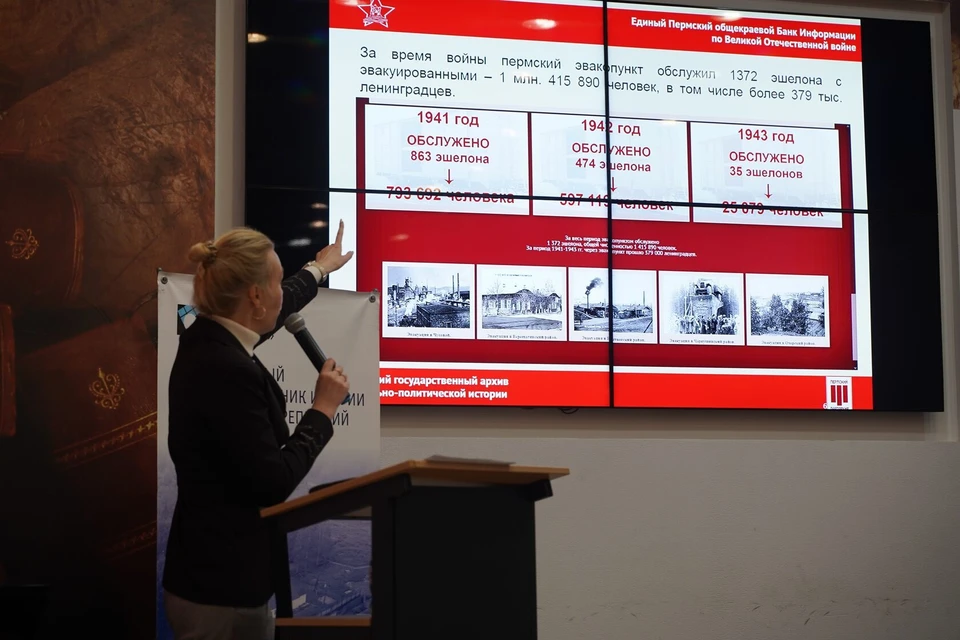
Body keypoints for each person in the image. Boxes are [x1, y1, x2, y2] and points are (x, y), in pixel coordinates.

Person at [162, 221, 354, 640]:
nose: (283, 292)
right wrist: (322, 409)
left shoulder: (206, 338)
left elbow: (276, 311)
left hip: (208, 575)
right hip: (221, 589)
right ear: (255, 295)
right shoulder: (225, 368)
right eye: (277, 282)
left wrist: (319, 270)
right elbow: (272, 482)